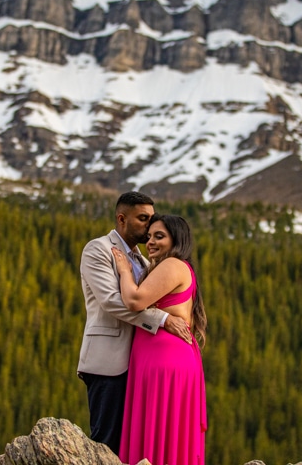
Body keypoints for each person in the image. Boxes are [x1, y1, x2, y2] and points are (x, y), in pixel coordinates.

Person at [77, 192, 192, 455]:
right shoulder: (98, 249)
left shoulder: (143, 260)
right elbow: (112, 302)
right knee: (106, 444)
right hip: (108, 363)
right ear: (121, 219)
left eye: (152, 219)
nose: (150, 226)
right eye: (143, 219)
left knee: (134, 447)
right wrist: (163, 320)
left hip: (140, 366)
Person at [112, 213, 208, 465]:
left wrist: (124, 271)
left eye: (159, 236)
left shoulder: (172, 265)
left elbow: (134, 300)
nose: (151, 242)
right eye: (149, 236)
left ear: (176, 240)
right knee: (169, 429)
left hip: (163, 358)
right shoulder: (179, 268)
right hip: (168, 356)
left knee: (156, 425)